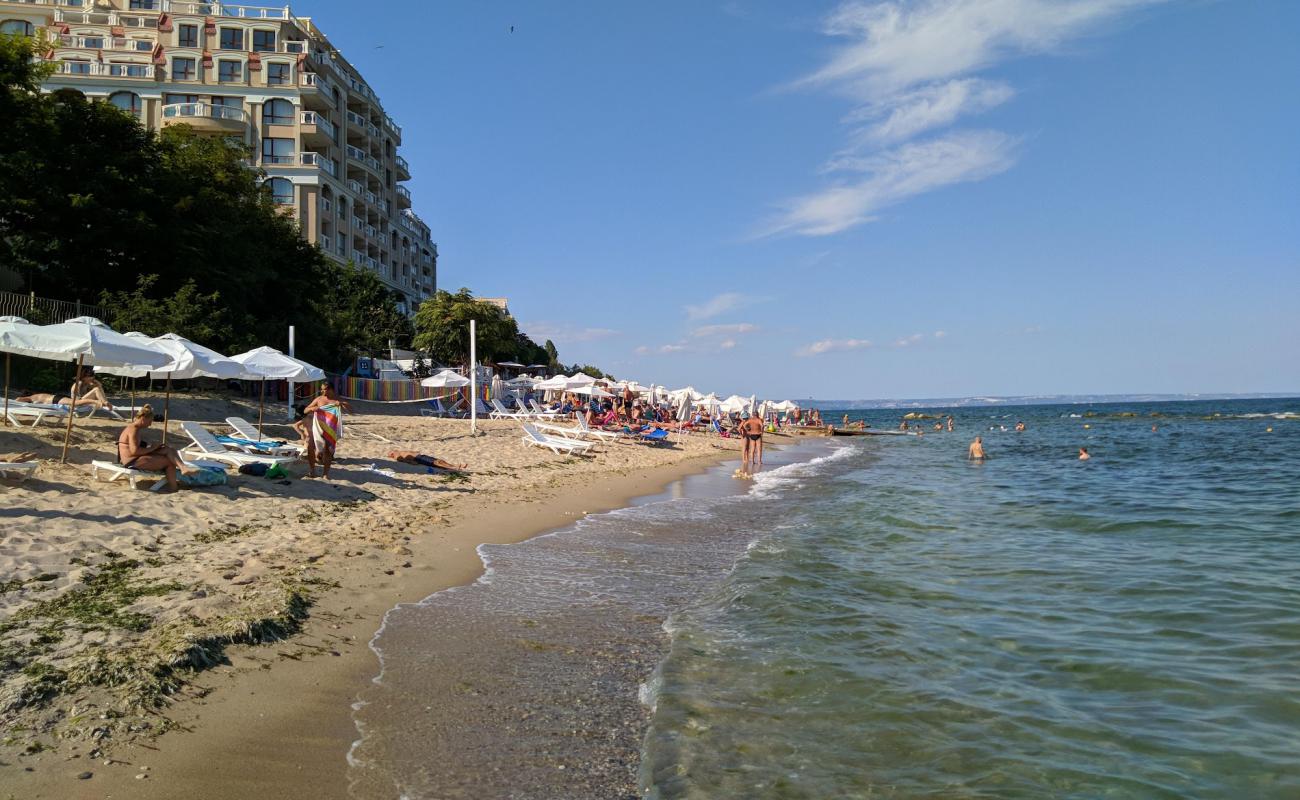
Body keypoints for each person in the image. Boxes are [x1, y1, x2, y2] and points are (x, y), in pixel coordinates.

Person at [116, 404, 198, 491]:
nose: (150, 424)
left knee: (169, 450)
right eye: (150, 421)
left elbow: (134, 448)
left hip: (135, 458)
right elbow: (134, 451)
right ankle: (174, 488)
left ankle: (183, 468)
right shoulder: (133, 430)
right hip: (132, 461)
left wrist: (154, 447)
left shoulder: (133, 428)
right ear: (144, 419)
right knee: (169, 462)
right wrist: (152, 448)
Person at [301, 385, 347, 479]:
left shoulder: (336, 400)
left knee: (329, 450)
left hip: (330, 428)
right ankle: (312, 471)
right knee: (311, 447)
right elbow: (305, 410)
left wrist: (341, 403)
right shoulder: (319, 399)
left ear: (330, 389)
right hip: (317, 427)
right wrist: (312, 409)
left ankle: (325, 474)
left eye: (324, 389)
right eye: (321, 389)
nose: (322, 391)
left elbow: (350, 409)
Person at [388, 450, 470, 472]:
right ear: (391, 454)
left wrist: (414, 452)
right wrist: (410, 462)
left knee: (439, 461)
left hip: (420, 456)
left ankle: (454, 466)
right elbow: (401, 459)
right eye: (392, 452)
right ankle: (455, 467)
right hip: (418, 459)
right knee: (437, 462)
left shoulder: (399, 452)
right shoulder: (396, 455)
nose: (393, 450)